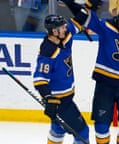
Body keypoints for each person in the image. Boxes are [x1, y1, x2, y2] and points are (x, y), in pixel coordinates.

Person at [61, 0, 119, 143]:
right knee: (101, 125)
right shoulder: (106, 27)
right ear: (118, 22)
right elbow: (82, 15)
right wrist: (69, 2)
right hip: (105, 84)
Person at [33, 14, 89, 144]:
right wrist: (48, 98)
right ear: (54, 31)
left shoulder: (65, 37)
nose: (65, 29)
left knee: (58, 129)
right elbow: (40, 79)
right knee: (82, 131)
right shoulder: (47, 52)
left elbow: (79, 20)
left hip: (66, 98)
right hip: (60, 102)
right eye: (62, 27)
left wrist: (87, 4)